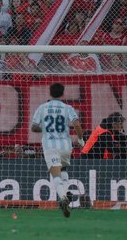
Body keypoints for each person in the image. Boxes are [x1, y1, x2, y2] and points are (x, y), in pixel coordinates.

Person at [31, 83, 84, 218]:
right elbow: (77, 124)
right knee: (63, 170)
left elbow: (34, 127)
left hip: (50, 146)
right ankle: (65, 194)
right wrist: (81, 139)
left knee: (55, 175)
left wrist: (46, 129)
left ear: (50, 92)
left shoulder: (42, 108)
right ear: (63, 93)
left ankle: (63, 197)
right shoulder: (68, 108)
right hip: (66, 146)